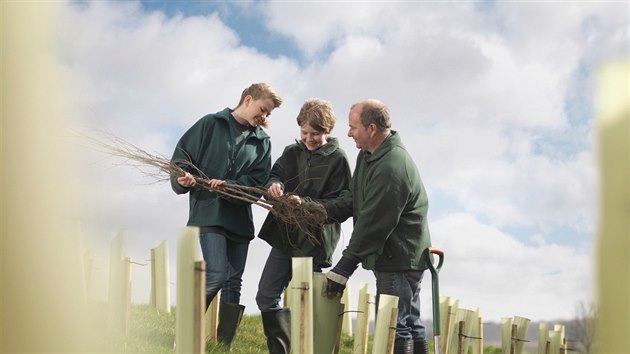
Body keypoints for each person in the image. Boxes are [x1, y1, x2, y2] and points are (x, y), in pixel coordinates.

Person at [170, 83, 282, 349]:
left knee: (234, 283)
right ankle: (184, 335)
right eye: (263, 110)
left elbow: (258, 180)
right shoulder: (210, 124)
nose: (264, 117)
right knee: (217, 274)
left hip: (240, 219)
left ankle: (223, 345)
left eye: (268, 114)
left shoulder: (262, 141)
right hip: (208, 212)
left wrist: (231, 186)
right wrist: (182, 180)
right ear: (248, 99)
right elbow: (181, 159)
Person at [319, 99, 432, 354]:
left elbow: (374, 223)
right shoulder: (369, 156)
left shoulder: (392, 166)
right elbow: (354, 196)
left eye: (352, 127)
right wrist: (323, 210)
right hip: (398, 255)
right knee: (409, 323)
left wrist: (343, 268)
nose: (348, 133)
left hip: (399, 257)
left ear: (371, 128)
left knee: (394, 325)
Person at [255, 98, 352, 354]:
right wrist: (274, 187)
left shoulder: (339, 159)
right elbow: (274, 176)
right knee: (265, 296)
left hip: (314, 243)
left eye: (316, 134)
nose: (309, 138)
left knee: (305, 307)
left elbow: (343, 204)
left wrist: (306, 204)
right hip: (284, 236)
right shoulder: (291, 152)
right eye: (304, 132)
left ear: (327, 131)